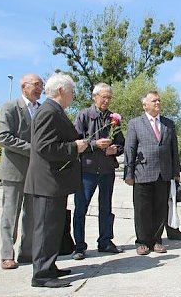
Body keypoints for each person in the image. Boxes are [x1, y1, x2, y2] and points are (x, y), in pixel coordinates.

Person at [24, 73, 88, 288]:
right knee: (45, 228)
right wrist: (74, 148)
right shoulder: (49, 111)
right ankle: (41, 275)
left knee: (53, 227)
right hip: (47, 181)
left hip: (54, 182)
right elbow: (43, 146)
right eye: (71, 91)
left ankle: (49, 266)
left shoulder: (54, 110)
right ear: (61, 90)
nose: (72, 96)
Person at [124, 91, 181, 255]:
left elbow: (173, 150)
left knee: (160, 208)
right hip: (142, 173)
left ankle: (156, 241)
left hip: (163, 173)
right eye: (154, 100)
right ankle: (142, 242)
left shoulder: (168, 123)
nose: (157, 103)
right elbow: (130, 149)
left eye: (158, 100)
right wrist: (129, 174)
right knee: (142, 210)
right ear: (145, 105)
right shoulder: (135, 123)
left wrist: (176, 171)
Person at [0, 73, 44, 270]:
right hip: (14, 172)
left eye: (41, 85)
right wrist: (31, 149)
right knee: (10, 215)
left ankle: (27, 252)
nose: (40, 88)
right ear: (24, 86)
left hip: (36, 172)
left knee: (32, 215)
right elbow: (3, 137)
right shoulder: (10, 107)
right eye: (36, 85)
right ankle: (7, 254)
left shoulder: (41, 109)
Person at [72, 83, 125, 260]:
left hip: (107, 170)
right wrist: (95, 144)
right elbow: (75, 142)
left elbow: (121, 143)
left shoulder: (114, 118)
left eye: (109, 97)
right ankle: (79, 246)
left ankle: (105, 241)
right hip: (86, 169)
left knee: (106, 207)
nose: (107, 100)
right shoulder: (84, 115)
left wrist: (115, 149)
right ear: (94, 97)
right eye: (103, 97)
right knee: (81, 208)